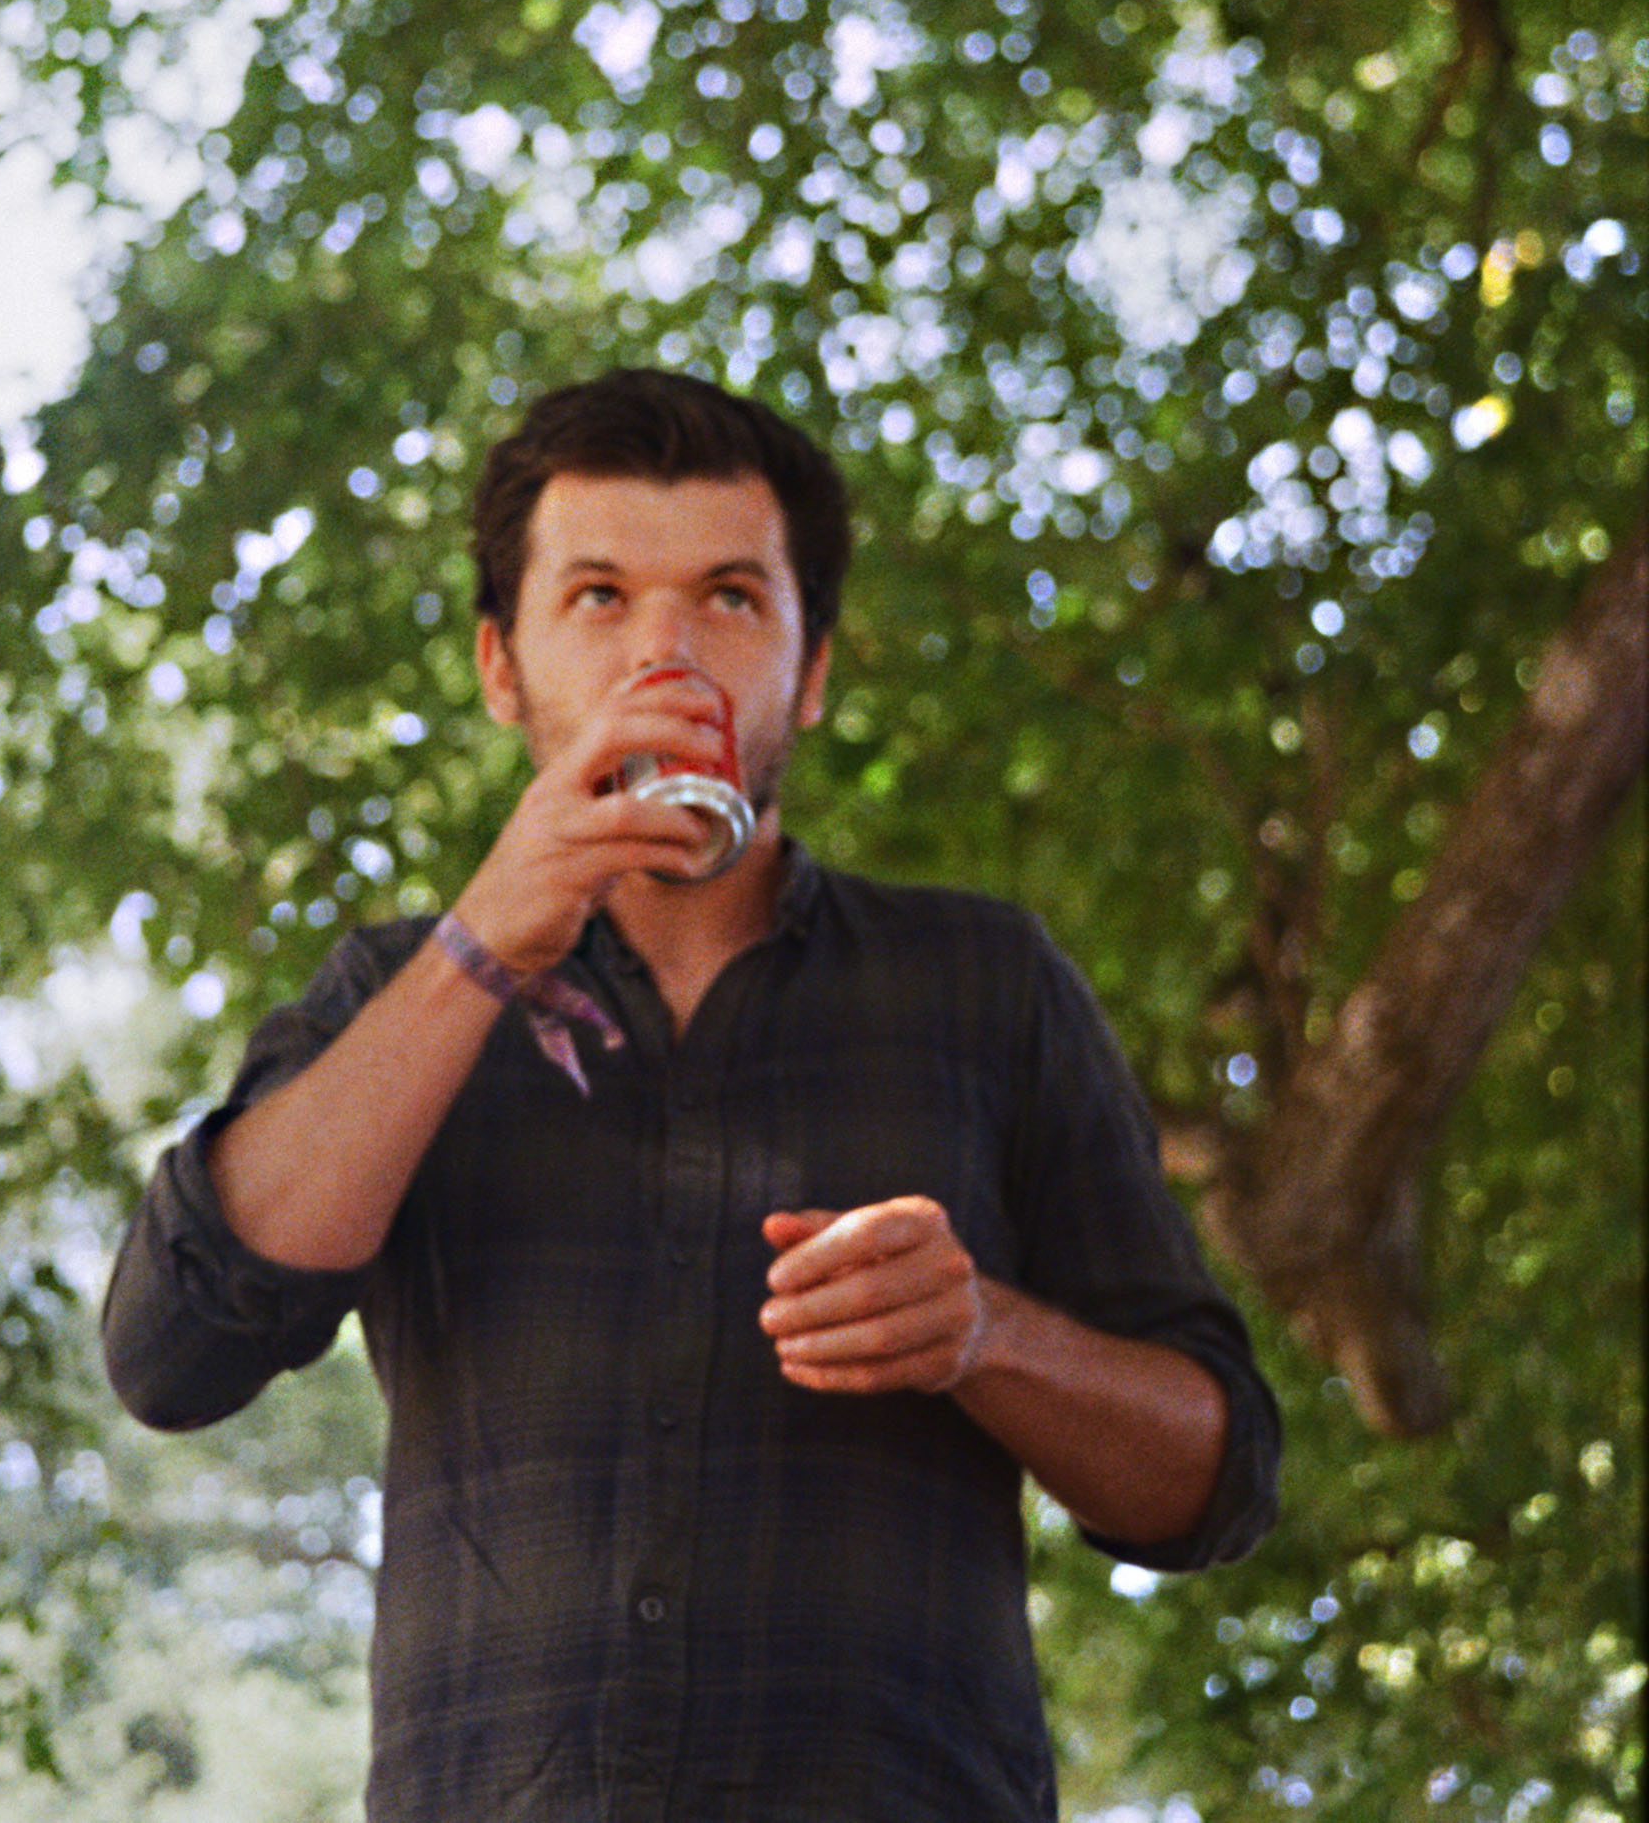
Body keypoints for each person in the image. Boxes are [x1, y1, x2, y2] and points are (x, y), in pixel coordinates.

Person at [103, 366, 1280, 1822]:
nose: (666, 650)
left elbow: (1216, 1481)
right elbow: (171, 1354)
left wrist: (985, 1334)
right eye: (599, 596)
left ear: (812, 668)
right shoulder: (393, 995)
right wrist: (483, 945)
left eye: (730, 596)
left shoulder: (985, 984)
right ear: (501, 666)